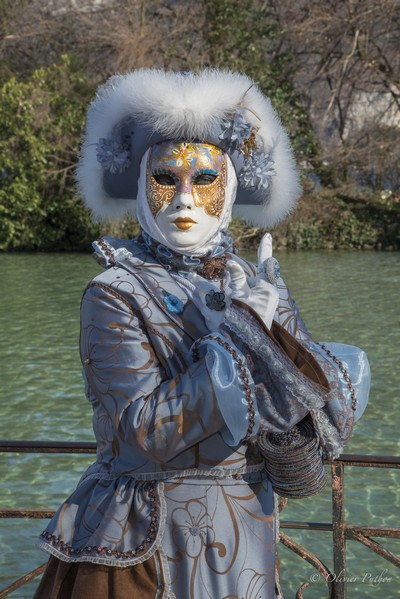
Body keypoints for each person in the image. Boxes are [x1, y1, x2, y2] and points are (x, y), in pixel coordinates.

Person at [34, 69, 370, 599]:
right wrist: (246, 337)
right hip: (145, 542)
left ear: (231, 184)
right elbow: (141, 434)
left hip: (246, 542)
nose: (185, 199)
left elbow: (297, 468)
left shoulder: (255, 283)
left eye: (205, 180)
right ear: (142, 184)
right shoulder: (114, 290)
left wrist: (285, 367)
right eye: (166, 178)